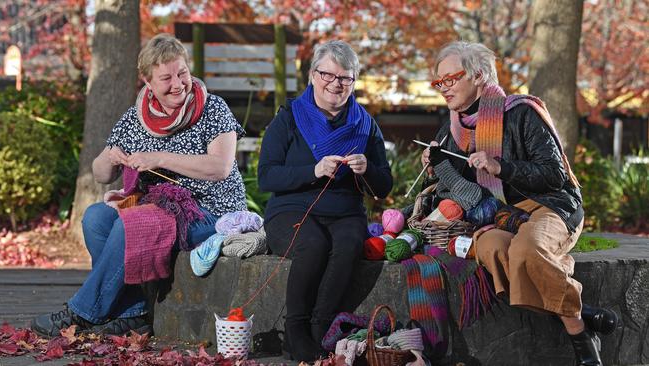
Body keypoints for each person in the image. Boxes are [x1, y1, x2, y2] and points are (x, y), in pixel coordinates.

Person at [31, 34, 247, 337]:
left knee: (131, 224)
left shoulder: (212, 108)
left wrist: (160, 158)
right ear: (147, 81)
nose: (178, 84)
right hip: (158, 208)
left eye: (182, 73)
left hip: (211, 213)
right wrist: (110, 157)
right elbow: (100, 173)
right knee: (96, 218)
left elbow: (220, 167)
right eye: (166, 78)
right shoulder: (137, 118)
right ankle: (134, 313)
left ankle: (81, 313)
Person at [420, 41, 618, 366]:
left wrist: (501, 166)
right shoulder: (451, 129)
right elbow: (451, 190)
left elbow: (554, 174)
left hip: (550, 204)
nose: (444, 88)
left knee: (526, 251)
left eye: (451, 78)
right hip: (503, 216)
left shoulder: (522, 112)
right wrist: (432, 164)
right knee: (491, 249)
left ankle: (580, 334)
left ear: (480, 75)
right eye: (439, 82)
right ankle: (585, 314)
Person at [258, 40, 393, 362]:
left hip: (345, 212)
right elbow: (267, 176)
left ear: (353, 82)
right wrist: (313, 169)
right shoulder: (289, 117)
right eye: (327, 75)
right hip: (290, 209)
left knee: (348, 244)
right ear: (312, 75)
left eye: (345, 78)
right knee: (313, 244)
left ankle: (320, 330)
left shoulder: (365, 123)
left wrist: (367, 168)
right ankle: (295, 330)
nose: (335, 83)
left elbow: (384, 185)